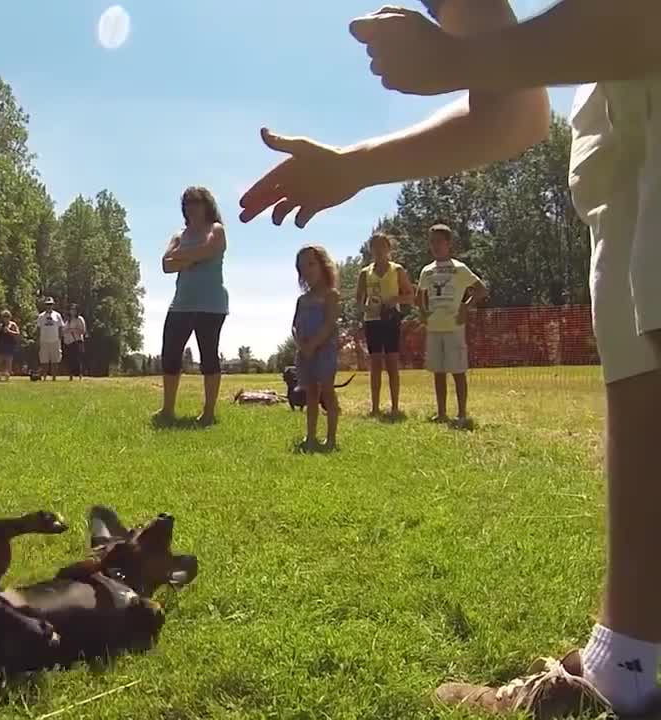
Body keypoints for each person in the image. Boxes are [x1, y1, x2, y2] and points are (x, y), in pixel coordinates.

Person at [237, 1, 661, 714]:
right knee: (637, 342)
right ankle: (629, 660)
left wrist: (457, 61)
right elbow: (518, 112)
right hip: (627, 121)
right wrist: (355, 166)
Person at [158, 186, 229, 426]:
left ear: (207, 204)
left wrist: (182, 257)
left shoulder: (216, 229)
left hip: (211, 305)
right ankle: (167, 409)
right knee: (170, 355)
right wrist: (192, 257)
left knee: (209, 357)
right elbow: (165, 265)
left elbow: (209, 249)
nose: (192, 206)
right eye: (187, 202)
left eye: (197, 201)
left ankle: (208, 412)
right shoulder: (179, 234)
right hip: (181, 304)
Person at [417, 224, 487, 425]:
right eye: (432, 242)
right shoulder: (427, 271)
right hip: (434, 328)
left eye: (439, 241)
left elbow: (481, 290)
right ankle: (441, 412)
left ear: (448, 243)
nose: (435, 246)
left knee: (457, 371)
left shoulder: (459, 269)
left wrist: (466, 307)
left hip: (454, 327)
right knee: (438, 372)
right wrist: (423, 313)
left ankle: (462, 414)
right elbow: (419, 295)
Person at [356, 232, 415, 416]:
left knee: (391, 362)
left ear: (389, 248)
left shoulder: (397, 270)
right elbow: (358, 300)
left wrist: (394, 300)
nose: (379, 250)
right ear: (371, 249)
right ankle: (374, 407)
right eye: (375, 247)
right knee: (375, 364)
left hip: (391, 320)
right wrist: (366, 309)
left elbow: (410, 296)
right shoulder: (365, 273)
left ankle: (395, 406)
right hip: (372, 321)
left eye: (383, 246)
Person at [292, 246, 342, 451]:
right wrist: (302, 346)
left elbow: (329, 324)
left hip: (324, 351)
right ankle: (310, 436)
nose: (307, 270)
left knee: (327, 392)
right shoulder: (302, 300)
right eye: (302, 267)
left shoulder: (331, 295)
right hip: (305, 353)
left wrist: (314, 344)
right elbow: (294, 326)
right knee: (311, 394)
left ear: (323, 265)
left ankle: (330, 439)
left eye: (311, 264)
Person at [36, 298, 64, 381]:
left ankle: (54, 377)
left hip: (55, 340)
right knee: (44, 359)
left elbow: (60, 327)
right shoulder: (41, 316)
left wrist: (59, 339)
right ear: (45, 305)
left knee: (55, 360)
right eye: (47, 304)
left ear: (53, 305)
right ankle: (44, 377)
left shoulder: (57, 315)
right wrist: (38, 339)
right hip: (44, 340)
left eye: (50, 304)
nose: (49, 306)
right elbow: (38, 328)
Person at [62, 303, 89, 380]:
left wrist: (73, 330)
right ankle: (71, 375)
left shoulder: (80, 319)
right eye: (71, 309)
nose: (72, 311)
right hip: (68, 342)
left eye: (74, 310)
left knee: (78, 359)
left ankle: (80, 375)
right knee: (70, 359)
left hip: (77, 341)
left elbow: (83, 331)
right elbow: (64, 330)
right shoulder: (68, 320)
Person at [0, 311, 20, 380]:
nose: (6, 318)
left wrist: (9, 331)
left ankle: (7, 377)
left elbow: (18, 334)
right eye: (4, 316)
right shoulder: (1, 325)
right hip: (1, 346)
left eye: (7, 316)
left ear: (10, 317)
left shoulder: (13, 325)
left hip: (9, 345)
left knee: (8, 362)